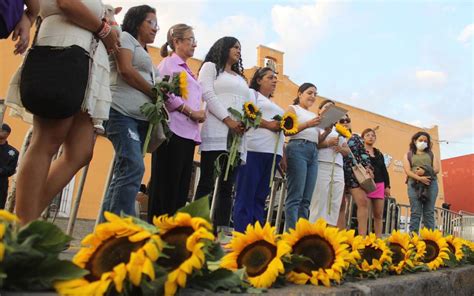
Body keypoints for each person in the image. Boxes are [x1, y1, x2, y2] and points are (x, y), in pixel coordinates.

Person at [6, 0, 119, 224]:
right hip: (62, 49)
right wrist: (105, 28)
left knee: (81, 151)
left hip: (86, 60)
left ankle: (22, 224)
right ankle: (23, 227)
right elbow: (66, 3)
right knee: (47, 139)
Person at [99, 5, 158, 221]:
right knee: (133, 165)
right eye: (150, 22)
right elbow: (125, 70)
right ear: (136, 22)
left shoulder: (146, 53)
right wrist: (154, 92)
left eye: (156, 24)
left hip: (140, 120)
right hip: (121, 113)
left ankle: (106, 232)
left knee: (125, 172)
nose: (155, 28)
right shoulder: (125, 38)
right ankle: (117, 231)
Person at [147, 24, 206, 221]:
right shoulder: (168, 64)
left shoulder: (188, 69)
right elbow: (163, 92)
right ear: (177, 41)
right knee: (166, 184)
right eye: (190, 40)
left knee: (180, 188)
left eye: (194, 40)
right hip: (173, 131)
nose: (194, 45)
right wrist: (190, 111)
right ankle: (158, 229)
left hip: (188, 134)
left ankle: (172, 231)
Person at [194, 36, 248, 232]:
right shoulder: (210, 67)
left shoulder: (241, 78)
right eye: (235, 46)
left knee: (227, 187)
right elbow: (206, 93)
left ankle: (222, 231)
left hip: (237, 137)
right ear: (223, 48)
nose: (238, 50)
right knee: (207, 181)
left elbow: (249, 105)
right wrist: (228, 120)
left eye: (240, 48)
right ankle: (196, 228)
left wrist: (247, 122)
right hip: (217, 130)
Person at [233, 67, 284, 232]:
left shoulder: (274, 104)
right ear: (259, 80)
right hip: (254, 149)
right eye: (270, 77)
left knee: (261, 196)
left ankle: (255, 233)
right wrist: (269, 124)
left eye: (275, 78)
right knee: (246, 193)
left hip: (273, 153)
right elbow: (247, 114)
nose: (275, 80)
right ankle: (241, 232)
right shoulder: (251, 94)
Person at [282, 83, 330, 231]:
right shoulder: (293, 109)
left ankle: (302, 235)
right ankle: (291, 234)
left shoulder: (315, 115)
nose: (313, 96)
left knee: (306, 199)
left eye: (315, 94)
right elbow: (286, 131)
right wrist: (308, 124)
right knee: (295, 196)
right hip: (297, 148)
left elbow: (317, 140)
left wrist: (327, 132)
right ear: (299, 93)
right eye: (309, 93)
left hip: (313, 151)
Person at [309, 100, 350, 227]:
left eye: (332, 107)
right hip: (322, 164)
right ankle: (313, 232)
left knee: (334, 202)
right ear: (319, 110)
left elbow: (347, 150)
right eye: (326, 107)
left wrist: (341, 149)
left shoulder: (338, 130)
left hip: (337, 168)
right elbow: (312, 144)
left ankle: (330, 233)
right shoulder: (314, 125)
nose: (329, 109)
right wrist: (328, 143)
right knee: (319, 201)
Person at [341, 116, 374, 236]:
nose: (345, 123)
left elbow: (364, 153)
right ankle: (341, 236)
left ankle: (362, 237)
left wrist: (368, 167)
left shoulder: (356, 138)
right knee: (340, 204)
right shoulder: (334, 135)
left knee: (363, 201)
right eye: (341, 121)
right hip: (339, 171)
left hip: (354, 172)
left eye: (347, 120)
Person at [403, 131, 439, 233]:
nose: (423, 142)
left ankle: (429, 239)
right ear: (415, 141)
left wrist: (425, 171)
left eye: (425, 141)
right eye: (420, 140)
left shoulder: (431, 154)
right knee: (415, 212)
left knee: (429, 212)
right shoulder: (408, 155)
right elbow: (408, 171)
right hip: (414, 184)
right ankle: (413, 238)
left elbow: (436, 169)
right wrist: (419, 178)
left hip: (431, 184)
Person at [362, 128, 391, 237]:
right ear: (363, 137)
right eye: (368, 135)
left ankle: (378, 238)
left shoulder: (379, 153)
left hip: (379, 184)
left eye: (373, 135)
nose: (370, 137)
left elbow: (384, 170)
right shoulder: (360, 151)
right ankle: (364, 237)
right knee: (365, 213)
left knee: (378, 214)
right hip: (366, 184)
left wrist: (387, 186)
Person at [0, 124, 19, 209]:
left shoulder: (13, 152)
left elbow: (11, 169)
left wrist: (1, 170)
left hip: (1, 185)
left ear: (6, 134)